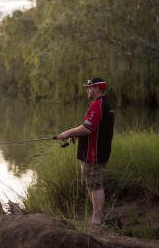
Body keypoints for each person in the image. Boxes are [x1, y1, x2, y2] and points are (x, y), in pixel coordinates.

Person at [58, 77, 114, 225]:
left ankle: (97, 219)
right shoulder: (104, 104)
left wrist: (69, 132)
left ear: (96, 89)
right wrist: (76, 134)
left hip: (93, 153)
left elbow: (88, 128)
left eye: (89, 87)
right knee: (91, 184)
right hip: (94, 151)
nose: (87, 90)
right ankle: (96, 217)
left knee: (95, 184)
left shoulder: (98, 105)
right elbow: (92, 128)